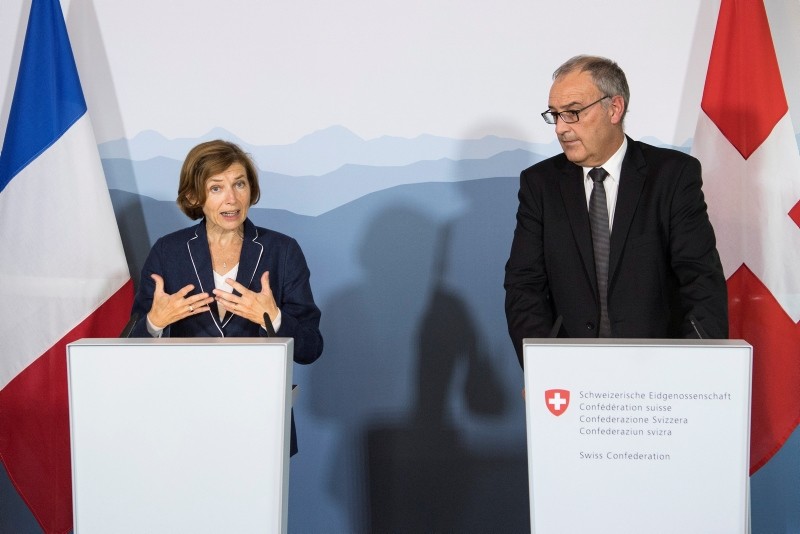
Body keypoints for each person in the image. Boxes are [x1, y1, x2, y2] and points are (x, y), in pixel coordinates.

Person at [504, 55, 728, 367]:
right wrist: (545, 369)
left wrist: (691, 369)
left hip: (661, 372)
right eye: (555, 115)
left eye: (573, 113)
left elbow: (701, 281)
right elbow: (524, 287)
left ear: (614, 108)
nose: (560, 129)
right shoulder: (540, 184)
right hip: (573, 374)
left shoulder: (672, 176)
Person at [128, 139, 323, 452]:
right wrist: (155, 322)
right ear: (194, 195)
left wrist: (273, 316)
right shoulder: (168, 252)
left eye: (240, 184)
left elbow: (311, 348)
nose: (232, 198)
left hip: (260, 423)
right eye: (216, 187)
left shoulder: (282, 251)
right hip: (181, 424)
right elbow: (128, 349)